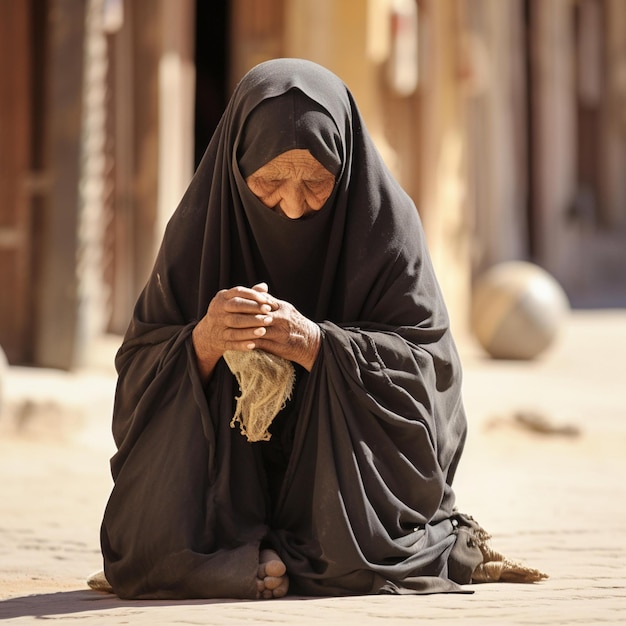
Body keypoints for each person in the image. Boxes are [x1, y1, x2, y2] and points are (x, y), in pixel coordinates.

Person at [95, 58, 545, 600]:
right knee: (141, 539)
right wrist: (205, 342)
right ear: (235, 171)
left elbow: (429, 376)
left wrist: (317, 346)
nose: (291, 207)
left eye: (316, 182)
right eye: (268, 182)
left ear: (346, 168)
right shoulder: (199, 231)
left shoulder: (387, 230)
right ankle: (245, 547)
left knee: (356, 556)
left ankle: (236, 558)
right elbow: (139, 372)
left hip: (343, 481)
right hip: (224, 478)